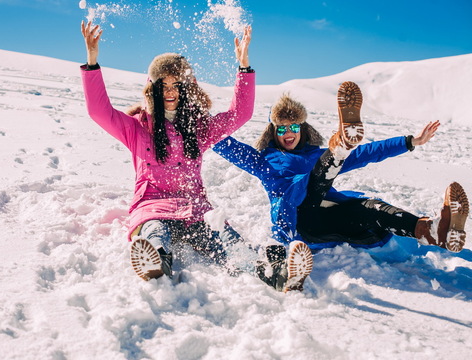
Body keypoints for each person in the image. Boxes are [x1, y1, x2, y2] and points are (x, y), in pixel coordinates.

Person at [213, 82, 469, 291]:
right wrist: (191, 120)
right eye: (281, 128)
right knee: (313, 180)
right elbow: (221, 142)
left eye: (294, 126)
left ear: (303, 128)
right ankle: (341, 145)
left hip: (331, 221)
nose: (288, 132)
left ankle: (433, 231)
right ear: (273, 130)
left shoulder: (315, 154)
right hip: (300, 221)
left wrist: (411, 141)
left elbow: (367, 153)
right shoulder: (262, 160)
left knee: (370, 208)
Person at [80, 21, 256, 281]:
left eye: (177, 85)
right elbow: (99, 111)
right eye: (164, 85)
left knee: (225, 239)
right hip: (152, 206)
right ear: (153, 89)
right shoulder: (137, 127)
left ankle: (264, 268)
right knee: (154, 232)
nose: (170, 91)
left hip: (194, 209)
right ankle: (156, 262)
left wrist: (243, 67)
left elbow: (240, 113)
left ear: (187, 88)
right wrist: (92, 62)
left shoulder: (199, 128)